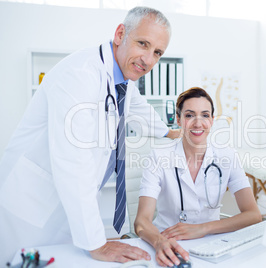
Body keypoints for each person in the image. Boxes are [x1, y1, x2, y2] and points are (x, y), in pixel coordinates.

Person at [0, 6, 180, 265]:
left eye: (157, 53)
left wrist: (172, 133)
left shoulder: (123, 79)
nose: (149, 60)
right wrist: (97, 243)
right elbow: (74, 162)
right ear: (120, 34)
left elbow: (139, 108)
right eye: (143, 44)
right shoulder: (79, 75)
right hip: (30, 205)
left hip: (65, 208)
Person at [134, 87, 262, 267]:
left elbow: (253, 215)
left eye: (205, 115)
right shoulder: (158, 157)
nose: (198, 123)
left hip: (212, 245)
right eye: (189, 115)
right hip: (168, 243)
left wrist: (203, 228)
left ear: (212, 120)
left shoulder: (227, 156)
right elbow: (141, 221)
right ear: (178, 120)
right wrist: (159, 242)